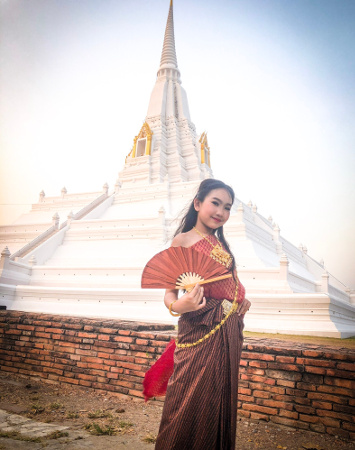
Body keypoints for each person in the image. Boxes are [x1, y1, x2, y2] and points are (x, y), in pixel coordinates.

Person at [154, 178, 251, 450]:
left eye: (227, 207)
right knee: (187, 398)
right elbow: (168, 293)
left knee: (219, 397)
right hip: (199, 328)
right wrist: (177, 306)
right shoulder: (183, 241)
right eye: (215, 203)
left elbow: (230, 286)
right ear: (198, 203)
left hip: (228, 330)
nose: (221, 212)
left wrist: (242, 299)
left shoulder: (223, 248)